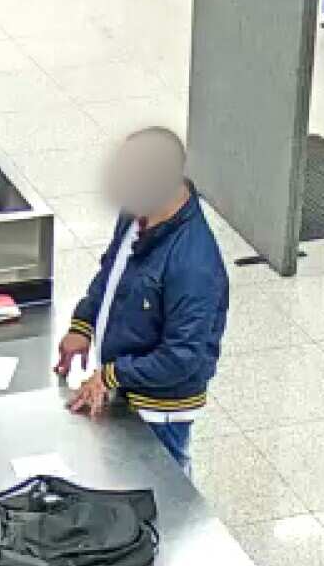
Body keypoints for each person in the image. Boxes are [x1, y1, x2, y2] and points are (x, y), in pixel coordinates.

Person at [55, 128, 229, 476]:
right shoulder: (137, 214)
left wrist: (110, 375)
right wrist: (83, 325)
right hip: (126, 388)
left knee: (162, 486)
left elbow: (181, 356)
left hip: (160, 407)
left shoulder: (193, 264)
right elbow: (111, 273)